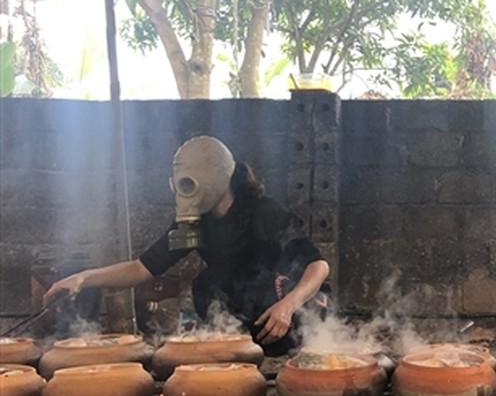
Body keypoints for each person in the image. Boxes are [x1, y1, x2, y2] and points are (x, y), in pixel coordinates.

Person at [44, 136, 330, 354]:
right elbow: (141, 269)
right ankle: (239, 350)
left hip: (298, 307)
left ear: (219, 178)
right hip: (252, 310)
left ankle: (285, 351)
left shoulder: (263, 212)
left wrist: (288, 305)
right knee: (208, 283)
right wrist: (83, 278)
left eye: (189, 183)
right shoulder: (195, 225)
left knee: (257, 282)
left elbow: (319, 266)